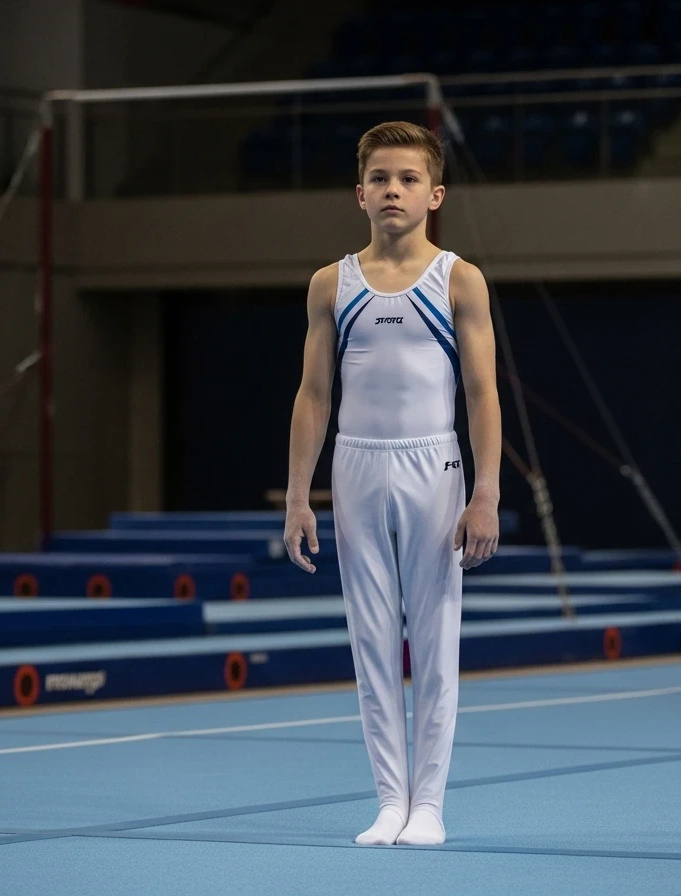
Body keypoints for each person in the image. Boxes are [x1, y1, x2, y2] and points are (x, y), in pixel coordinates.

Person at [283, 121, 502, 846]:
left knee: (434, 636)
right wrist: (296, 495)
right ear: (359, 193)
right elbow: (313, 394)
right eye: (380, 178)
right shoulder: (331, 283)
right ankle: (388, 802)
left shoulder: (457, 278)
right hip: (356, 464)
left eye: (408, 179)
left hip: (433, 464)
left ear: (434, 194)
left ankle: (430, 804)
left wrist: (487, 492)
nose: (393, 190)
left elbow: (481, 392)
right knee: (371, 638)